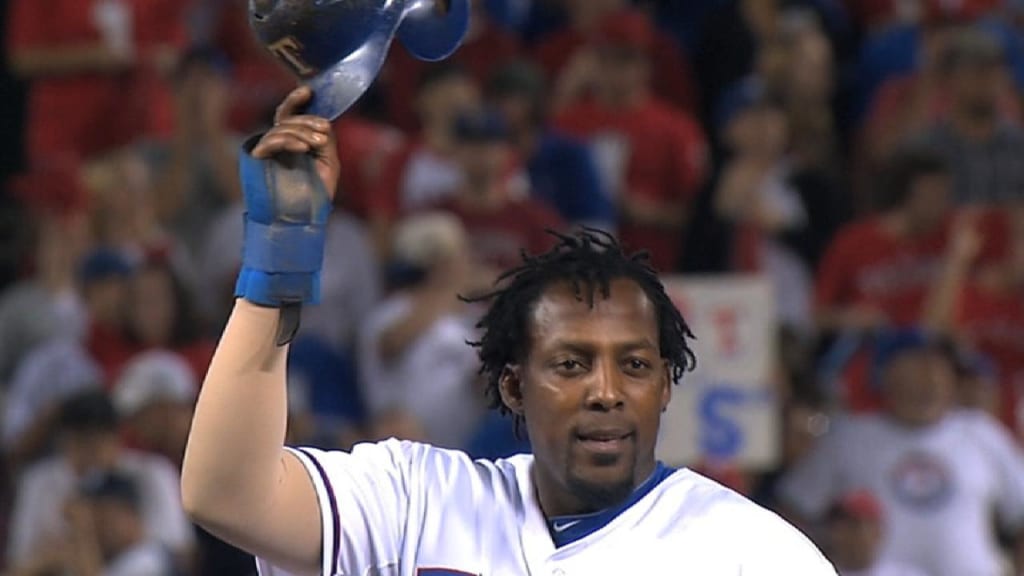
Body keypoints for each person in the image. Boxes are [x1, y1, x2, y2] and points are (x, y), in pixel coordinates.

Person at [180, 86, 835, 575]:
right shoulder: (418, 499)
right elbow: (226, 494)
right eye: (572, 363)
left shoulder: (753, 553)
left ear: (665, 386)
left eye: (633, 365)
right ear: (514, 385)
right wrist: (277, 263)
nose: (606, 390)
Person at [778, 328, 1024, 576]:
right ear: (886, 371)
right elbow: (793, 512)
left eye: (942, 364)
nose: (934, 374)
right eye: (921, 362)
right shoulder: (849, 436)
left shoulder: (981, 433)